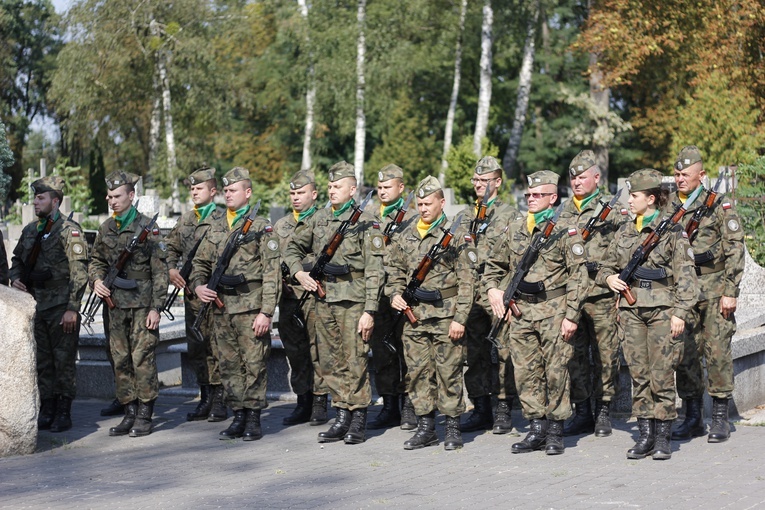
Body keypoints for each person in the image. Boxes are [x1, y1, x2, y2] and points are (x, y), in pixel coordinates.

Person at [483, 170, 588, 455]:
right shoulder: (515, 227)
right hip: (521, 313)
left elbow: (579, 275)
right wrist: (493, 289)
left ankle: (555, 430)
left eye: (537, 195)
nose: (531, 199)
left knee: (555, 372)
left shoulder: (567, 229)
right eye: (528, 195)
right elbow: (493, 265)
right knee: (526, 373)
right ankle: (536, 428)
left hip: (554, 311)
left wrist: (571, 315)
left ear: (553, 198)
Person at [597, 168, 698, 460]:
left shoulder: (672, 231)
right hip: (631, 310)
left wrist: (679, 313)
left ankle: (663, 436)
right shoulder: (625, 231)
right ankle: (645, 435)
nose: (630, 200)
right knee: (639, 374)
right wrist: (608, 279)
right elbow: (604, 265)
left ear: (651, 199)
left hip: (663, 311)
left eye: (635, 195)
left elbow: (687, 278)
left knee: (662, 374)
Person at [284, 161, 385, 445]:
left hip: (353, 303)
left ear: (352, 189)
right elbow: (290, 246)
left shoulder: (367, 222)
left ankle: (358, 417)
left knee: (354, 361)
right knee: (329, 361)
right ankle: (341, 413)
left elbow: (376, 271)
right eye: (329, 186)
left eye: (337, 186)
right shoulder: (319, 219)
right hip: (324, 300)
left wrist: (369, 310)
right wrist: (299, 272)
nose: (331, 191)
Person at [189, 167, 280, 442]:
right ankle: (238, 414)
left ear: (247, 193)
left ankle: (253, 417)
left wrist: (266, 312)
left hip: (250, 307)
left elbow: (272, 272)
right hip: (220, 307)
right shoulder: (217, 226)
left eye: (233, 190)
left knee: (254, 363)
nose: (228, 194)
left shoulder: (261, 226)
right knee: (228, 364)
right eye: (226, 190)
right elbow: (199, 264)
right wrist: (198, 286)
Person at [387, 176, 474, 450]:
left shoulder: (456, 236)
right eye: (420, 203)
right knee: (417, 373)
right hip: (414, 317)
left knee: (448, 372)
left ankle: (451, 426)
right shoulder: (405, 234)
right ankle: (426, 427)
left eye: (428, 203)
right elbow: (394, 271)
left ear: (441, 202)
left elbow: (468, 280)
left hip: (446, 315)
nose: (423, 208)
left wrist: (460, 318)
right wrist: (394, 294)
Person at [669, 146, 745, 443]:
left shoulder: (719, 205)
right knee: (685, 355)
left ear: (701, 175)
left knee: (717, 354)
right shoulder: (670, 208)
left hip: (714, 292)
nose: (679, 179)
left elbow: (734, 248)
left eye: (685, 174)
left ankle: (720, 419)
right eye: (676, 174)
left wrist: (730, 291)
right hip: (684, 295)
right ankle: (692, 417)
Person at [89, 171, 168, 437]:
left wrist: (156, 307)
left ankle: (145, 414)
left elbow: (160, 271)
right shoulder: (105, 228)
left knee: (142, 359)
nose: (112, 201)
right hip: (114, 306)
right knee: (120, 359)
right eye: (109, 196)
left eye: (117, 196)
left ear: (131, 196)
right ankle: (129, 412)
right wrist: (96, 280)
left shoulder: (148, 228)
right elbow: (96, 261)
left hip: (142, 306)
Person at [10, 176, 89, 432]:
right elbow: (17, 261)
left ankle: (64, 411)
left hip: (60, 306)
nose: (35, 201)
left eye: (41, 197)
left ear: (55, 201)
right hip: (36, 304)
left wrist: (72, 308)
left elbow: (79, 273)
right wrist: (16, 279)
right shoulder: (31, 230)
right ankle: (47, 407)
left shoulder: (69, 231)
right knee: (43, 361)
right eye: (35, 197)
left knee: (63, 360)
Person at [559, 150, 628, 438]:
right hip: (571, 297)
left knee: (605, 355)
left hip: (600, 295)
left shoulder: (612, 212)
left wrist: (609, 275)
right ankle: (582, 410)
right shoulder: (562, 212)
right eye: (573, 177)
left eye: (582, 177)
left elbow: (623, 250)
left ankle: (602, 410)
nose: (576, 182)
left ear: (596, 178)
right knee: (574, 356)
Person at [459, 155, 523, 435]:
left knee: (502, 350)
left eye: (484, 181)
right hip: (469, 289)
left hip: (496, 290)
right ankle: (480, 408)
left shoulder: (510, 214)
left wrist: (506, 293)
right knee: (474, 353)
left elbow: (516, 258)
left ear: (497, 182)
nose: (478, 185)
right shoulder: (465, 215)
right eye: (475, 180)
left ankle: (503, 408)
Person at [165, 166, 228, 423]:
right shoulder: (185, 220)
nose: (194, 192)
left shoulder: (223, 220)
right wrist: (171, 269)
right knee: (197, 348)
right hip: (191, 297)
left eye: (199, 188)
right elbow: (170, 247)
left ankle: (220, 399)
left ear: (212, 191)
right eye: (191, 188)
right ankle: (205, 398)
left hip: (216, 297)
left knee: (218, 348)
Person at [274, 170, 330, 427]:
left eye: (301, 193)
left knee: (317, 350)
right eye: (292, 193)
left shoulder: (324, 221)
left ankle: (319, 402)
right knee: (295, 351)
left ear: (314, 194)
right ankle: (302, 401)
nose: (295, 197)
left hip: (316, 297)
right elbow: (273, 261)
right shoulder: (281, 225)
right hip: (289, 297)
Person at [368, 163, 416, 431]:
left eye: (388, 187)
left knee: (407, 351)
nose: (383, 191)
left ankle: (409, 404)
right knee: (383, 351)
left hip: (402, 295)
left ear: (401, 188)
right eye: (380, 187)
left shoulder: (413, 216)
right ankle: (389, 405)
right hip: (377, 294)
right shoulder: (368, 215)